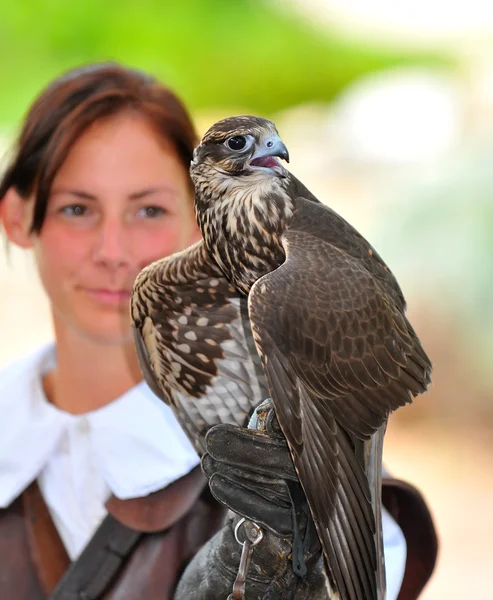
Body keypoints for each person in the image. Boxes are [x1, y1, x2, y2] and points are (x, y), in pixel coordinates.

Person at [0, 62, 438, 599]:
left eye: (149, 209)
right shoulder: (157, 303)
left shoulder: (290, 288)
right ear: (17, 218)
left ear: (194, 214)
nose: (111, 252)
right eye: (77, 208)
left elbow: (352, 520)